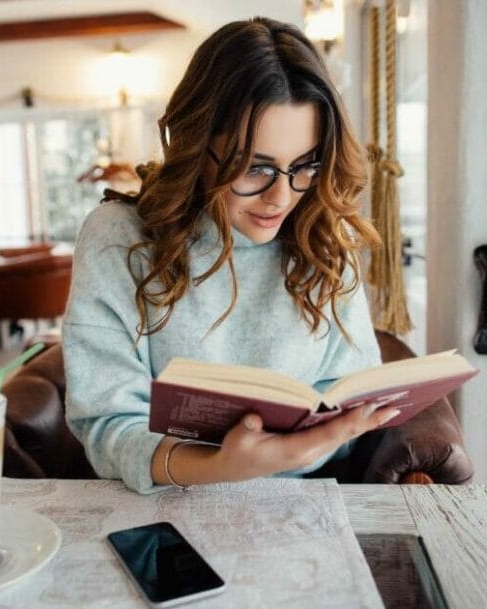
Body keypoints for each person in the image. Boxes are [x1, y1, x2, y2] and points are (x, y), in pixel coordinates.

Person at [62, 17, 399, 494]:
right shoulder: (119, 239)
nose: (281, 197)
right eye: (256, 168)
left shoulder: (324, 235)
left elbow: (348, 394)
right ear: (199, 146)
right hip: (164, 507)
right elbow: (108, 425)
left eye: (304, 166)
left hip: (300, 504)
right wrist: (220, 465)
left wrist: (327, 436)